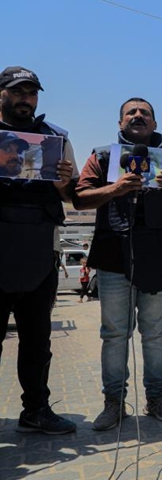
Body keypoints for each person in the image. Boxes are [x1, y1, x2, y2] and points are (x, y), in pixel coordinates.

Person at [76, 97, 162, 431]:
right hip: (114, 255)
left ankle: (158, 397)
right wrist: (115, 189)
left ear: (154, 124)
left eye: (146, 113)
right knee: (114, 334)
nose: (139, 116)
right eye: (132, 112)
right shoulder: (102, 156)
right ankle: (114, 403)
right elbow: (79, 198)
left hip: (160, 254)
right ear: (120, 123)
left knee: (156, 333)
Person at [0, 66, 78, 434]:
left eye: (31, 93)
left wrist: (65, 183)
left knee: (37, 340)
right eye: (17, 91)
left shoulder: (56, 139)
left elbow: (72, 196)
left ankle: (36, 410)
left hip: (38, 255)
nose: (25, 99)